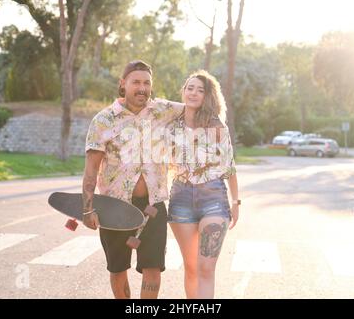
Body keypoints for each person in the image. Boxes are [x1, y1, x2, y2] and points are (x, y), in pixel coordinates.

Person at [82, 60, 184, 299]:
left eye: (147, 83)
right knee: (118, 269)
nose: (142, 88)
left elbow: (196, 104)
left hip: (153, 207)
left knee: (153, 267)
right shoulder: (103, 120)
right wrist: (87, 209)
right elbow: (91, 170)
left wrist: (206, 89)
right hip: (114, 207)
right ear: (123, 84)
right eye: (136, 82)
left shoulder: (162, 111)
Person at [167, 70, 240, 299]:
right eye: (190, 88)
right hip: (180, 199)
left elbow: (229, 167)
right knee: (191, 268)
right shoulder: (171, 125)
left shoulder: (217, 127)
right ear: (183, 91)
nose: (194, 93)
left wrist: (236, 201)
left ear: (208, 96)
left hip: (213, 198)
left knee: (206, 268)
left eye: (200, 90)